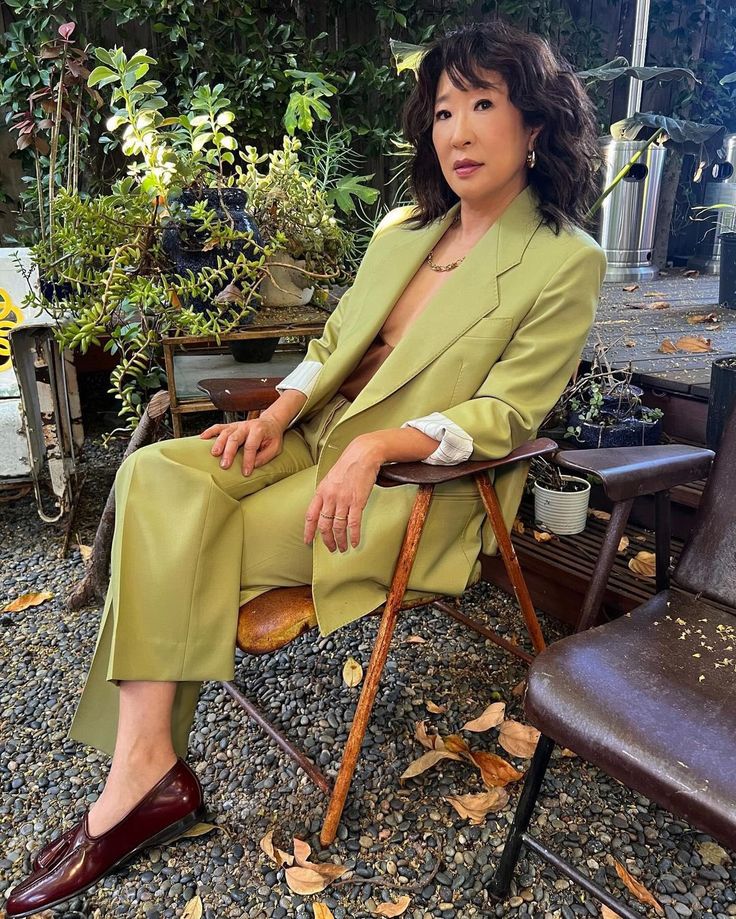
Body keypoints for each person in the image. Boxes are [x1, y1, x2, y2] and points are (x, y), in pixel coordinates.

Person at [6, 19, 607, 918]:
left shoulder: (564, 261)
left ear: (536, 126)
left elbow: (507, 413)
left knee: (189, 529)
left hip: (416, 485)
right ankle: (151, 768)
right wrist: (281, 412)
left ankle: (135, 787)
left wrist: (375, 446)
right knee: (153, 479)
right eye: (445, 109)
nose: (460, 131)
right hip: (313, 437)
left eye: (486, 104)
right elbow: (332, 342)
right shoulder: (406, 229)